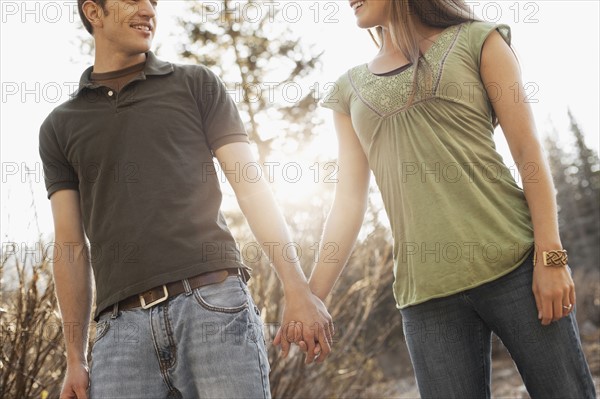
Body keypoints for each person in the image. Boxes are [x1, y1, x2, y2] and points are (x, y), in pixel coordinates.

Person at [277, 0, 597, 397]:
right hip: (427, 296)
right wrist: (311, 298)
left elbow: (528, 153)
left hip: (517, 268)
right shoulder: (348, 90)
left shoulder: (480, 40)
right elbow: (347, 203)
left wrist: (551, 257)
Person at [39, 1, 333, 398]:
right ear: (94, 12)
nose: (147, 9)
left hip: (213, 307)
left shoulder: (196, 84)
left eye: (153, 2)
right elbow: (69, 244)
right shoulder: (59, 126)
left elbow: (251, 186)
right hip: (119, 334)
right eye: (132, 0)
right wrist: (75, 358)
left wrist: (296, 287)